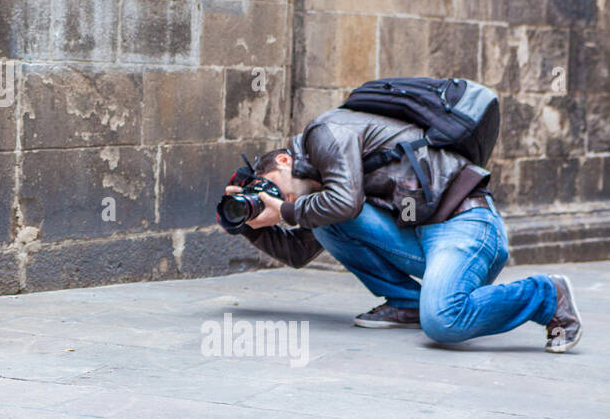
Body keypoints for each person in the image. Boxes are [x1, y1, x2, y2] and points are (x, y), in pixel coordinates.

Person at [230, 106, 582, 352]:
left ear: (284, 160)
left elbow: (346, 203)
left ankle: (546, 295)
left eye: (272, 186)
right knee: (322, 219)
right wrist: (247, 224)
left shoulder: (325, 132)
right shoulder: (317, 187)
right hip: (421, 234)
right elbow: (300, 251)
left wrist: (287, 209)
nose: (277, 196)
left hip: (465, 223)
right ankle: (408, 304)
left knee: (444, 320)